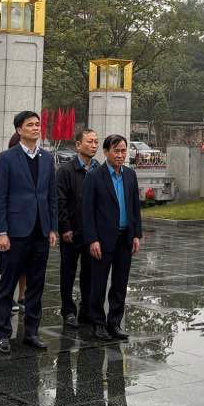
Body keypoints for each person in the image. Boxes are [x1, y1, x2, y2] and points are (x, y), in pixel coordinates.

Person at [0, 110, 58, 352]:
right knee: (7, 284)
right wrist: (1, 231)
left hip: (40, 230)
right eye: (30, 125)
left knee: (36, 284)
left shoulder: (47, 158)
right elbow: (0, 197)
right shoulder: (7, 158)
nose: (35, 128)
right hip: (15, 232)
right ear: (19, 130)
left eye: (37, 124)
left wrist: (52, 227)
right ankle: (2, 334)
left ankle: (31, 331)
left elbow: (51, 196)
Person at [81, 134, 142, 342]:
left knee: (120, 283)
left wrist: (136, 234)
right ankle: (97, 323)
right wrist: (92, 239)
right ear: (106, 152)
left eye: (124, 150)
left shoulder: (130, 175)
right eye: (116, 150)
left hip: (125, 238)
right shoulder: (94, 176)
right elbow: (87, 211)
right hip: (102, 239)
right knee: (97, 283)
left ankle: (114, 322)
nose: (120, 154)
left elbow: (135, 207)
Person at [57, 128, 98, 327]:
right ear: (78, 145)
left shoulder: (98, 170)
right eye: (90, 141)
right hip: (71, 232)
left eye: (96, 142)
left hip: (91, 233)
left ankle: (87, 309)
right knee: (68, 272)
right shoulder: (66, 171)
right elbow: (60, 201)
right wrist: (65, 228)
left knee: (90, 273)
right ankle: (67, 311)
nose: (94, 145)